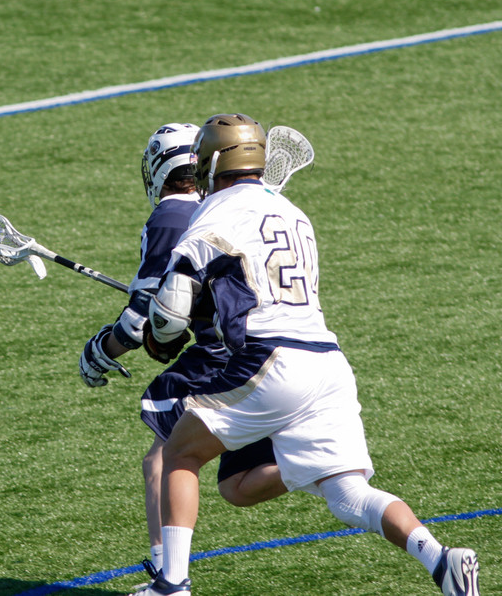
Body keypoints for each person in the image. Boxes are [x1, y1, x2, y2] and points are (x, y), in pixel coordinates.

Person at [139, 114, 479, 596]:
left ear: (214, 162)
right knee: (349, 495)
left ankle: (171, 582)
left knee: (179, 450)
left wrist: (160, 330)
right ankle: (441, 559)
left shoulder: (212, 211)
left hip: (271, 361)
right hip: (327, 363)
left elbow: (172, 311)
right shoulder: (293, 210)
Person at [78, 123, 286, 591]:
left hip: (220, 356)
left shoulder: (170, 216)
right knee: (238, 481)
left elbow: (140, 323)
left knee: (162, 458)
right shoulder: (220, 203)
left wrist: (100, 350)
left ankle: (167, 575)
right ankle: (319, 465)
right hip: (265, 347)